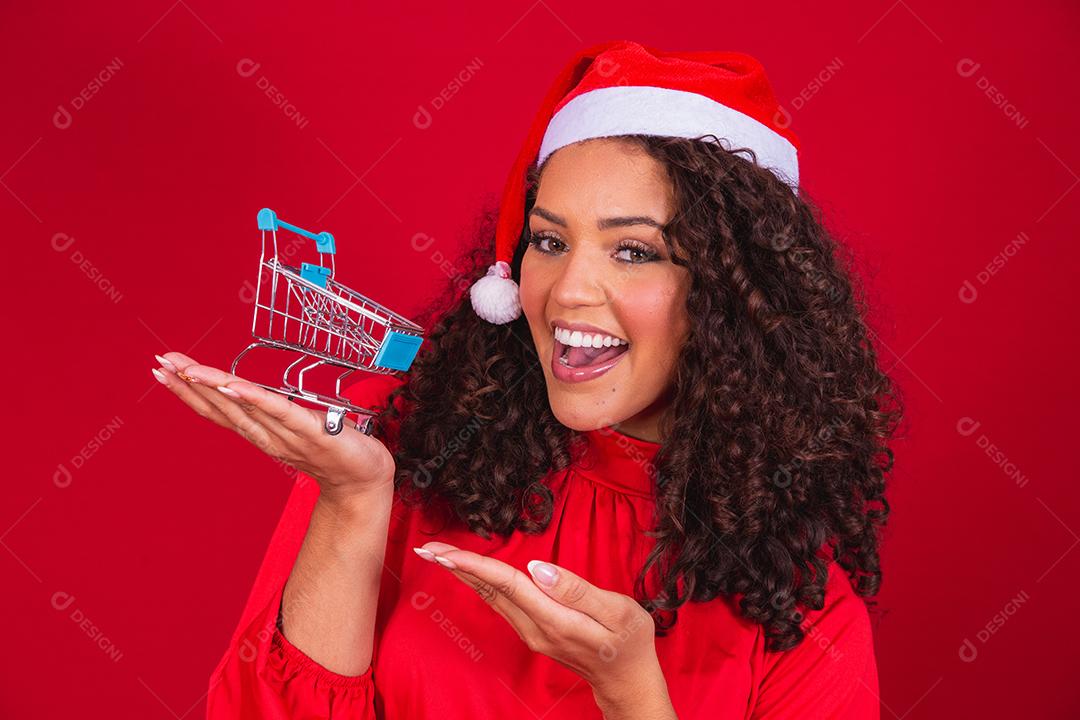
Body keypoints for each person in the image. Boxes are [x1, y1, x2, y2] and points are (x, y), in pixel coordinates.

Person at [153, 39, 900, 719]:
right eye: (549, 240)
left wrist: (630, 690)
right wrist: (352, 504)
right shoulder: (406, 447)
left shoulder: (806, 609)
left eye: (634, 251)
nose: (567, 290)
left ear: (738, 296)